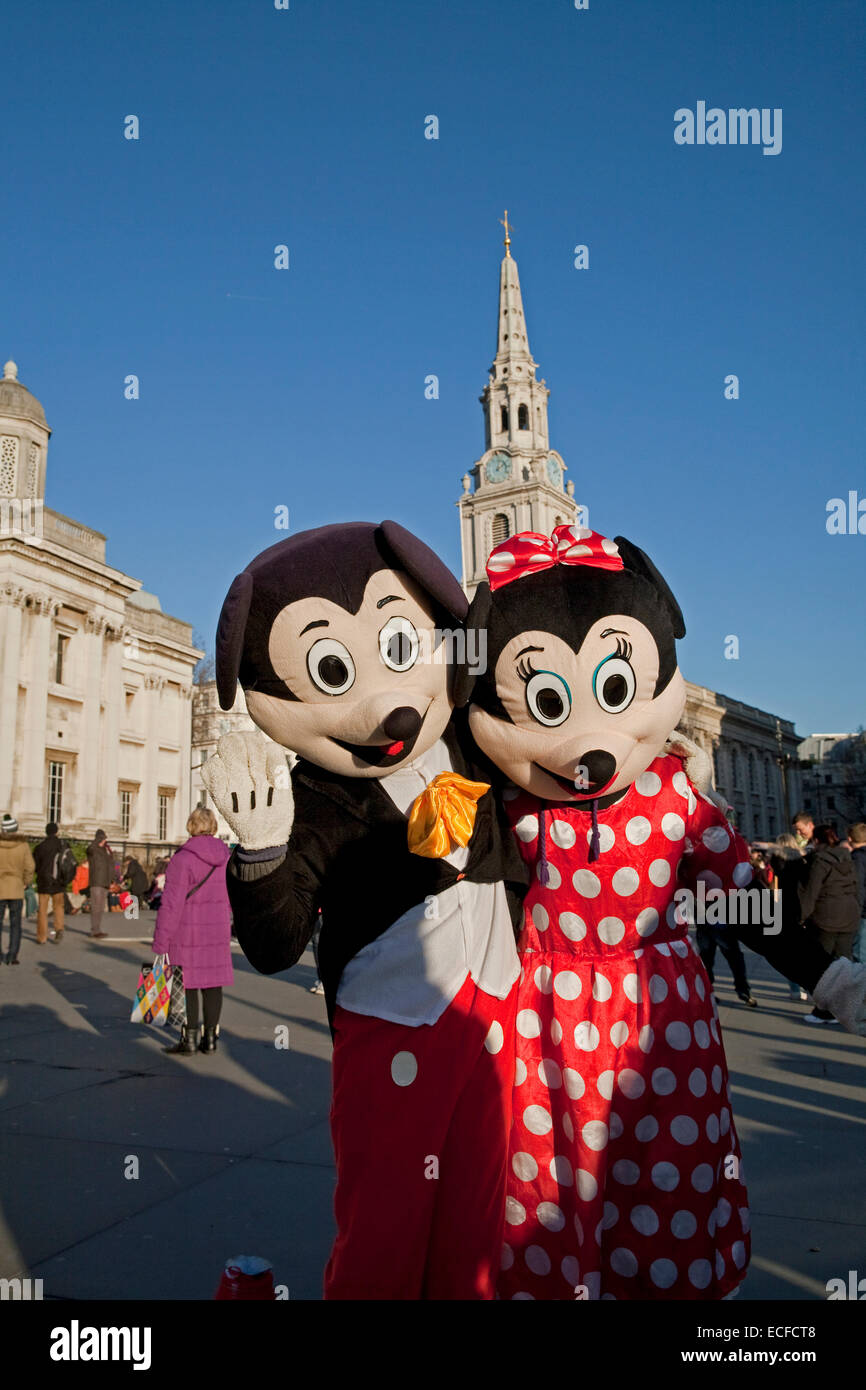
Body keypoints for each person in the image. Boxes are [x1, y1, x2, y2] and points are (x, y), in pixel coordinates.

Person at [152, 807, 233, 1055]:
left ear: (191, 825)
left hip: (188, 930)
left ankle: (189, 1039)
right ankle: (210, 1039)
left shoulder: (182, 859)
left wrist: (160, 942)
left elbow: (171, 904)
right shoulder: (226, 857)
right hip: (217, 929)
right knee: (213, 984)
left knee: (186, 984)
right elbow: (232, 896)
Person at [799, 824, 861, 1024]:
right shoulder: (848, 857)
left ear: (816, 841)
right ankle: (844, 1008)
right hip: (849, 915)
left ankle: (823, 1010)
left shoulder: (820, 861)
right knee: (844, 964)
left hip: (826, 917)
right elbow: (856, 886)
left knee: (822, 967)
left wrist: (801, 917)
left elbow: (811, 893)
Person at [769, 832, 809, 1001]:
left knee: (789, 952)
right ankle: (810, 987)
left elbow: (774, 882)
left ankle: (794, 989)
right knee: (807, 952)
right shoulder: (803, 860)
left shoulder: (777, 860)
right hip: (802, 905)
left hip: (783, 906)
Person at [0, 813, 35, 964]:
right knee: (16, 924)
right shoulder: (23, 845)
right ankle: (12, 955)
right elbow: (30, 866)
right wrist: (26, 881)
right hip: (16, 887)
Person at [32, 821, 73, 944]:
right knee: (58, 907)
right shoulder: (62, 845)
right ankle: (59, 929)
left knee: (42, 910)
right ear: (56, 832)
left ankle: (42, 936)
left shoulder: (39, 847)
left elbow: (35, 866)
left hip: (44, 881)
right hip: (58, 881)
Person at [86, 829, 114, 939]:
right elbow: (89, 849)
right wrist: (96, 841)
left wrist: (111, 880)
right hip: (96, 881)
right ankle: (94, 930)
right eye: (103, 838)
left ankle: (97, 929)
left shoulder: (105, 850)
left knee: (101, 907)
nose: (105, 841)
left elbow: (110, 864)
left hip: (105, 881)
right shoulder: (93, 849)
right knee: (96, 906)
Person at [850, 823, 866, 964]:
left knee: (859, 953)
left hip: (862, 911)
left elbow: (858, 886)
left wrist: (857, 911)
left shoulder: (858, 857)